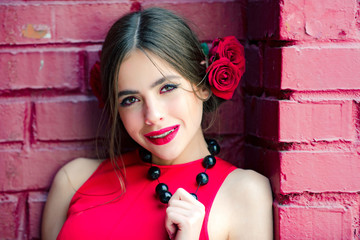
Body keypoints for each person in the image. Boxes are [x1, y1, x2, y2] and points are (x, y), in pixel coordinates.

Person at [41, 7, 273, 240]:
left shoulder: (245, 193)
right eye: (130, 99)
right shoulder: (73, 180)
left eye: (167, 88)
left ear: (202, 86)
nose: (152, 115)